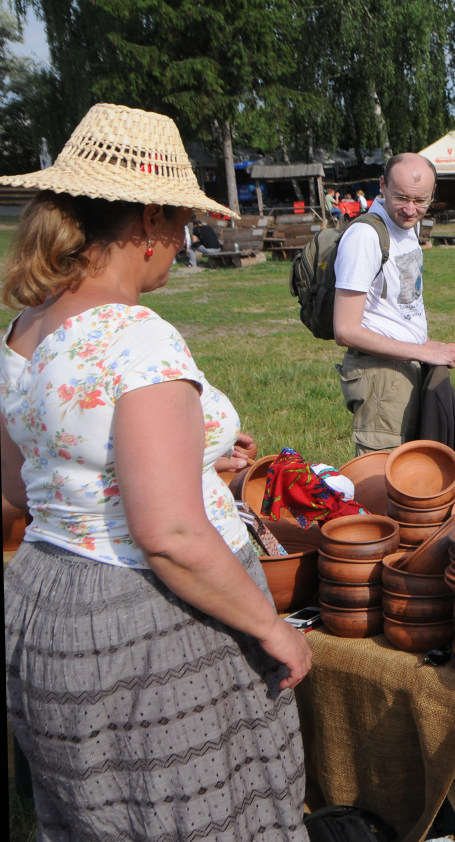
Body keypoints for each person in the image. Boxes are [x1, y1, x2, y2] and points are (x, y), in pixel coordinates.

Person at [0, 103, 310, 838]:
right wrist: (272, 627)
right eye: (179, 222)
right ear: (146, 221)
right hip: (148, 623)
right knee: (201, 811)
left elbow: (21, 485)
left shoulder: (30, 333)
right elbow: (169, 533)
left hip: (46, 595)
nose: (182, 240)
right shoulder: (138, 339)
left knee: (100, 818)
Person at [333, 152, 455, 455]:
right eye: (401, 198)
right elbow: (346, 330)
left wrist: (426, 344)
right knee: (383, 478)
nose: (410, 209)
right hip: (381, 378)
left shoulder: (406, 227)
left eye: (420, 201)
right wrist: (422, 350)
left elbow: (396, 304)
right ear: (382, 186)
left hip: (407, 366)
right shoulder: (365, 236)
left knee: (414, 474)